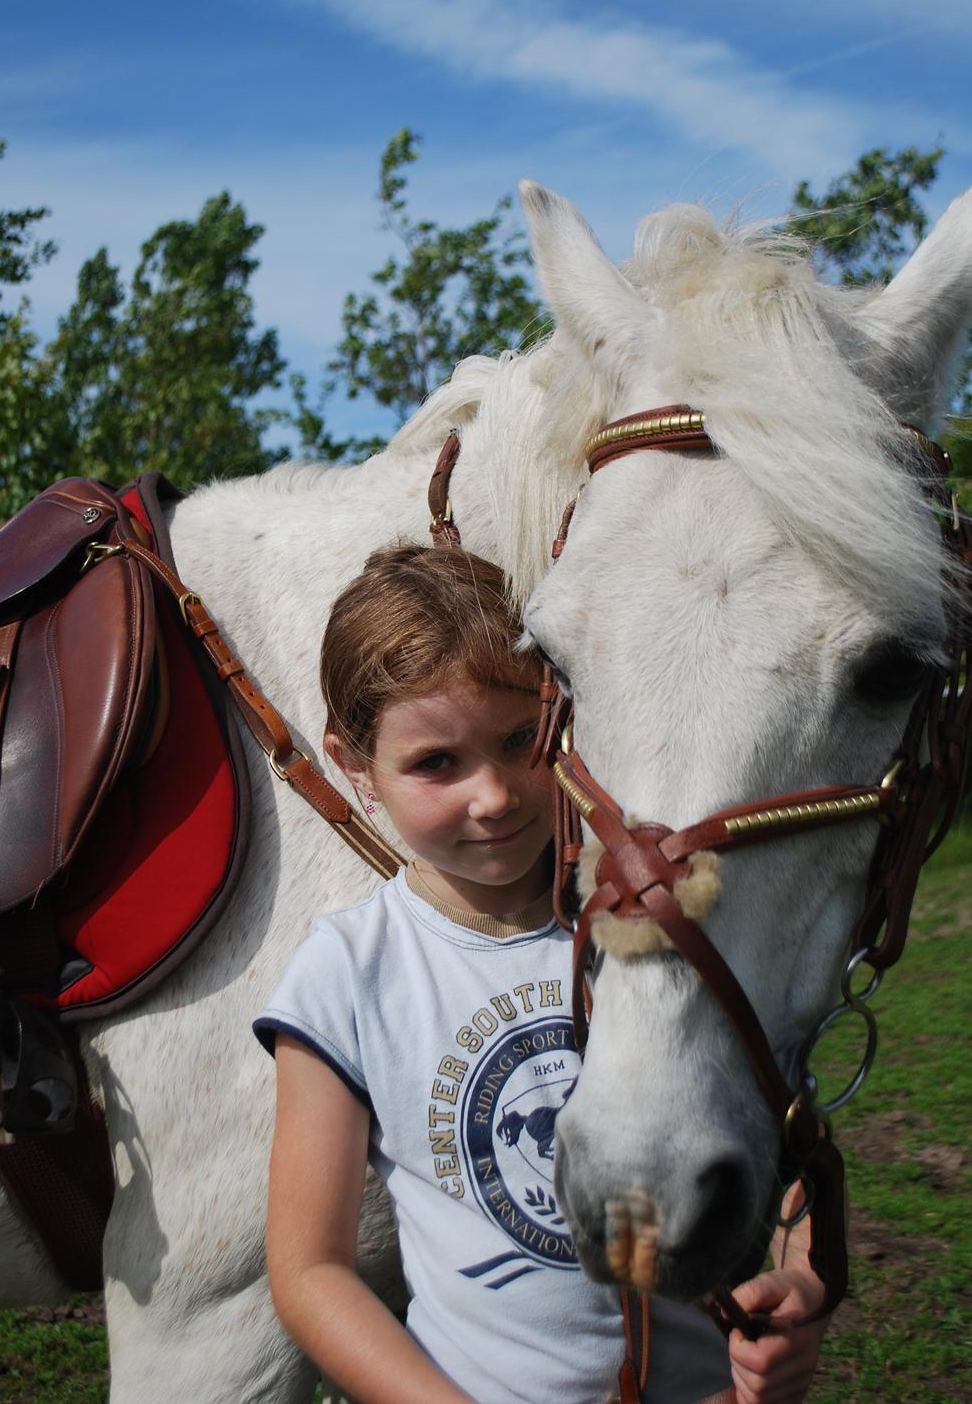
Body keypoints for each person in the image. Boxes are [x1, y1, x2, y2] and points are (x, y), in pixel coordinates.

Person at [256, 544, 828, 1404]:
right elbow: (309, 1270)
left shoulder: (652, 920)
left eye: (520, 739)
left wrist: (802, 1284)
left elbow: (794, 1149)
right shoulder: (346, 976)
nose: (493, 795)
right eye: (436, 762)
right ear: (353, 765)